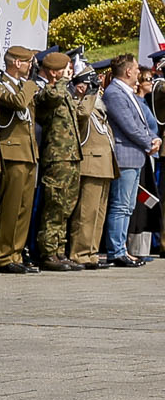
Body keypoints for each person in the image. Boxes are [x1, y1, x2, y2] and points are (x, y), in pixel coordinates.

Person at [0, 45, 41, 274]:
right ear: (16, 63)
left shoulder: (21, 86)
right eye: (27, 62)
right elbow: (17, 103)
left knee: (24, 208)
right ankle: (4, 255)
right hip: (12, 152)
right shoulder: (0, 85)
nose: (30, 67)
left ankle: (16, 253)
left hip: (27, 151)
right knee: (11, 207)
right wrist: (30, 84)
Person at [102, 53, 161, 266]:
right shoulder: (115, 93)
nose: (139, 72)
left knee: (127, 206)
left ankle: (122, 249)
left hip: (135, 156)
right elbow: (129, 126)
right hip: (125, 155)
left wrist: (153, 138)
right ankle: (116, 251)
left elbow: (144, 123)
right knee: (120, 205)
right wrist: (149, 142)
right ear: (128, 71)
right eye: (136, 69)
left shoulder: (128, 93)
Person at [33, 53, 84, 270]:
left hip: (71, 156)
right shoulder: (46, 91)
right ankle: (48, 252)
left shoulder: (62, 91)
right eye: (65, 68)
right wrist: (62, 79)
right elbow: (50, 98)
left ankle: (59, 250)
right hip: (56, 157)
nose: (69, 72)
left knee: (66, 206)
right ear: (54, 72)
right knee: (55, 203)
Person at [72, 74, 117, 268]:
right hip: (91, 165)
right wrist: (88, 95)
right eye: (92, 86)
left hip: (104, 165)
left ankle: (91, 252)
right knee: (86, 213)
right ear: (81, 87)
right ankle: (79, 253)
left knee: (99, 213)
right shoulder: (80, 104)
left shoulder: (98, 110)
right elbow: (81, 115)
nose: (98, 90)